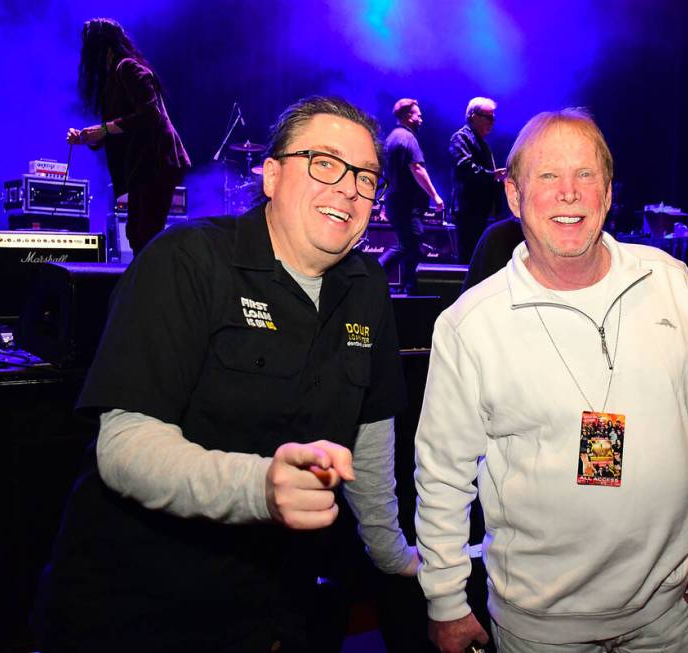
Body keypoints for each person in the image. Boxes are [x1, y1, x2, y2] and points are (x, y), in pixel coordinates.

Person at [35, 96, 418, 652]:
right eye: (325, 162)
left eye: (365, 176)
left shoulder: (367, 287)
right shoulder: (187, 260)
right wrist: (259, 487)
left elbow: (371, 435)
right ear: (272, 174)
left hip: (273, 612)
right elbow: (123, 446)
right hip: (136, 608)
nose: (349, 188)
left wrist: (391, 556)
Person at [414, 108, 688, 653]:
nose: (569, 193)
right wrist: (446, 603)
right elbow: (443, 478)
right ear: (514, 196)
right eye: (547, 176)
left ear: (608, 193)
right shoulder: (470, 325)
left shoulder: (670, 283)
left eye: (585, 175)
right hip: (541, 629)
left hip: (671, 612)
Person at [67, 18, 191, 255]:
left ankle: (155, 288)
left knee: (144, 235)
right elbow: (121, 126)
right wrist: (86, 137)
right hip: (145, 163)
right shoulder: (114, 76)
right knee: (138, 234)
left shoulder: (128, 68)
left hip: (158, 160)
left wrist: (104, 129)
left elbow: (151, 115)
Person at [379, 98, 443, 294]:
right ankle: (377, 276)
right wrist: (435, 196)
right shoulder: (407, 138)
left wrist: (382, 202)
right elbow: (417, 168)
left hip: (395, 203)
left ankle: (410, 287)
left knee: (409, 243)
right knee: (411, 242)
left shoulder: (391, 138)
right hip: (404, 205)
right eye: (418, 115)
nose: (421, 119)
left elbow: (386, 173)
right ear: (408, 116)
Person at [449, 97, 507, 266]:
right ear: (474, 116)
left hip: (481, 210)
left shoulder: (482, 142)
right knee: (469, 257)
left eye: (493, 117)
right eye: (489, 117)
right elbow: (464, 167)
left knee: (481, 257)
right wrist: (492, 175)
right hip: (468, 210)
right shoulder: (460, 138)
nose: (492, 122)